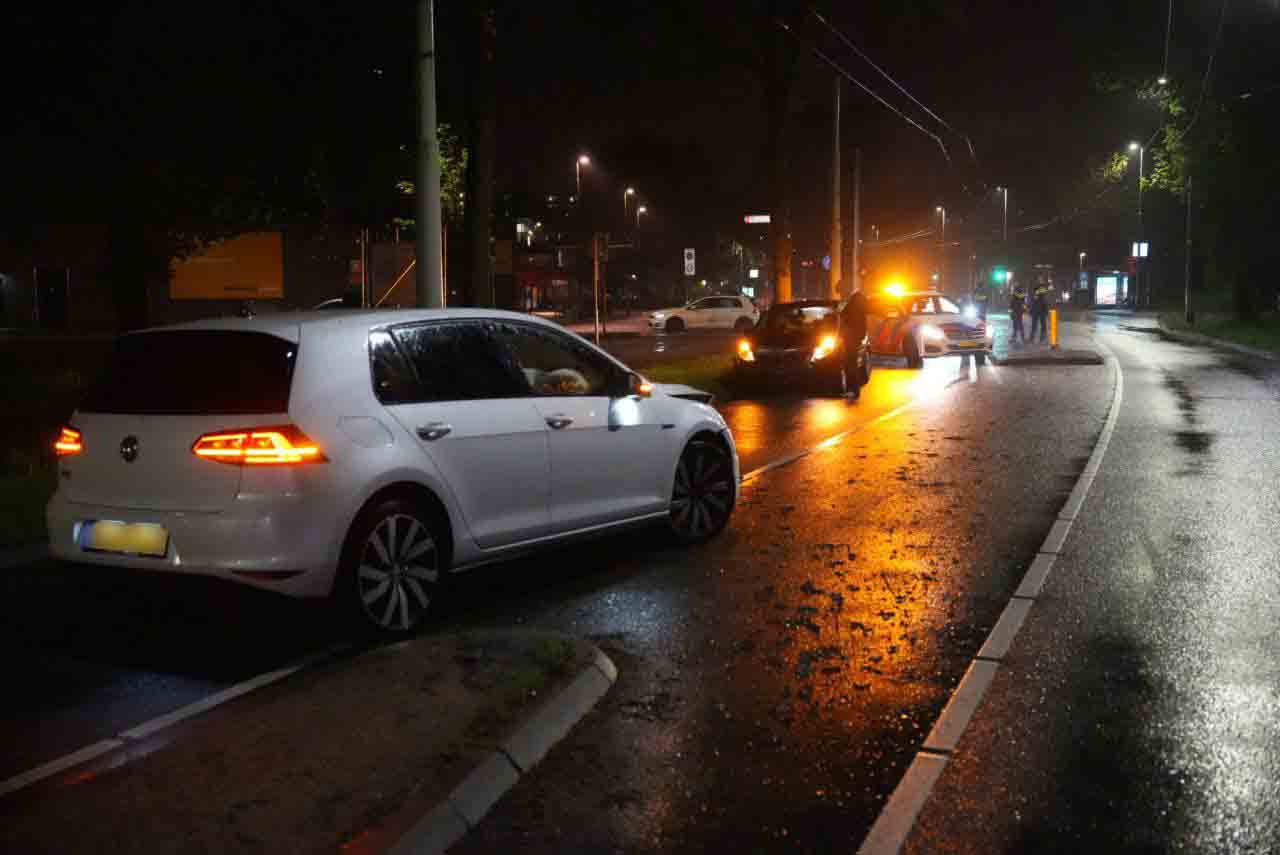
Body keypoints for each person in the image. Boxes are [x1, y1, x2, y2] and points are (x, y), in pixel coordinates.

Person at [840, 281, 868, 398]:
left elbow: (851, 318)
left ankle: (853, 390)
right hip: (853, 337)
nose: (841, 293)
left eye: (841, 289)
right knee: (850, 364)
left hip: (852, 337)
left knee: (850, 364)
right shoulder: (856, 299)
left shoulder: (856, 300)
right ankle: (852, 390)